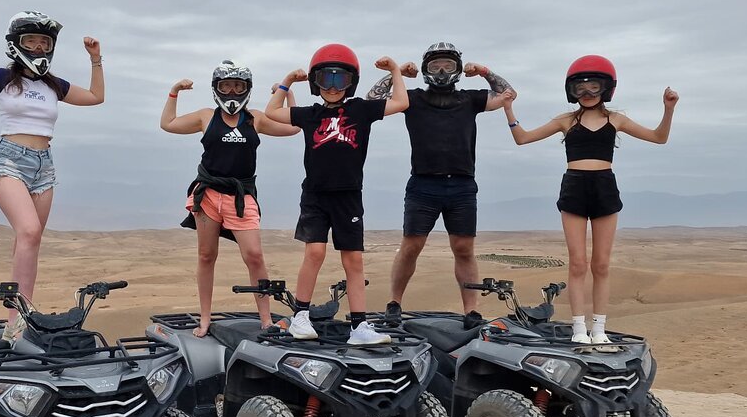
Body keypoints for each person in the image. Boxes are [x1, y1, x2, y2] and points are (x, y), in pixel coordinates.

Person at [0, 12, 104, 339]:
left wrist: (96, 59)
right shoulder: (2, 78)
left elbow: (95, 97)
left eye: (44, 42)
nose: (38, 46)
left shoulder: (53, 85)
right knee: (28, 231)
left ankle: (18, 319)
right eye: (31, 41)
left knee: (29, 241)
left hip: (44, 166)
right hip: (10, 160)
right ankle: (18, 317)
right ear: (17, 44)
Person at [502, 55, 679, 343]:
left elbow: (659, 137)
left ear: (606, 89)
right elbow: (522, 138)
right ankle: (578, 329)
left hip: (604, 187)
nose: (586, 93)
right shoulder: (565, 120)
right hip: (574, 187)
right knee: (577, 264)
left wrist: (668, 109)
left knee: (602, 264)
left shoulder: (616, 119)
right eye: (580, 88)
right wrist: (509, 110)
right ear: (571, 90)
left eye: (593, 87)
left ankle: (599, 329)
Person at [265, 44, 408, 345]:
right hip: (315, 195)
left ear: (351, 82)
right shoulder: (309, 114)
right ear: (315, 83)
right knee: (314, 253)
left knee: (353, 261)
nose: (331, 87)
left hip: (349, 196)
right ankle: (300, 317)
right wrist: (287, 81)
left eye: (339, 79)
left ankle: (359, 327)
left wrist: (395, 70)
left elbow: (401, 102)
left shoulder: (362, 110)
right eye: (324, 79)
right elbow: (272, 111)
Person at [374, 42, 516, 324]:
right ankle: (394, 303)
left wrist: (485, 71)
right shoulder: (412, 98)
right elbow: (371, 101)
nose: (441, 70)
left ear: (458, 70)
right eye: (435, 65)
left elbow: (508, 95)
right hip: (422, 185)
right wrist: (397, 72)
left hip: (462, 186)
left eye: (448, 65)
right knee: (411, 246)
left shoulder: (470, 99)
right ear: (426, 70)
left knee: (463, 248)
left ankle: (471, 310)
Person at [161, 61, 300, 336]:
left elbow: (294, 127)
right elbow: (168, 124)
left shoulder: (255, 118)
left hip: (241, 196)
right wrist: (174, 90)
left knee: (255, 256)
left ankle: (265, 319)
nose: (232, 92)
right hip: (208, 195)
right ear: (217, 89)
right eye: (226, 86)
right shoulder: (205, 117)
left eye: (238, 86)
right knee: (206, 256)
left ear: (247, 89)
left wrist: (286, 91)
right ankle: (204, 319)